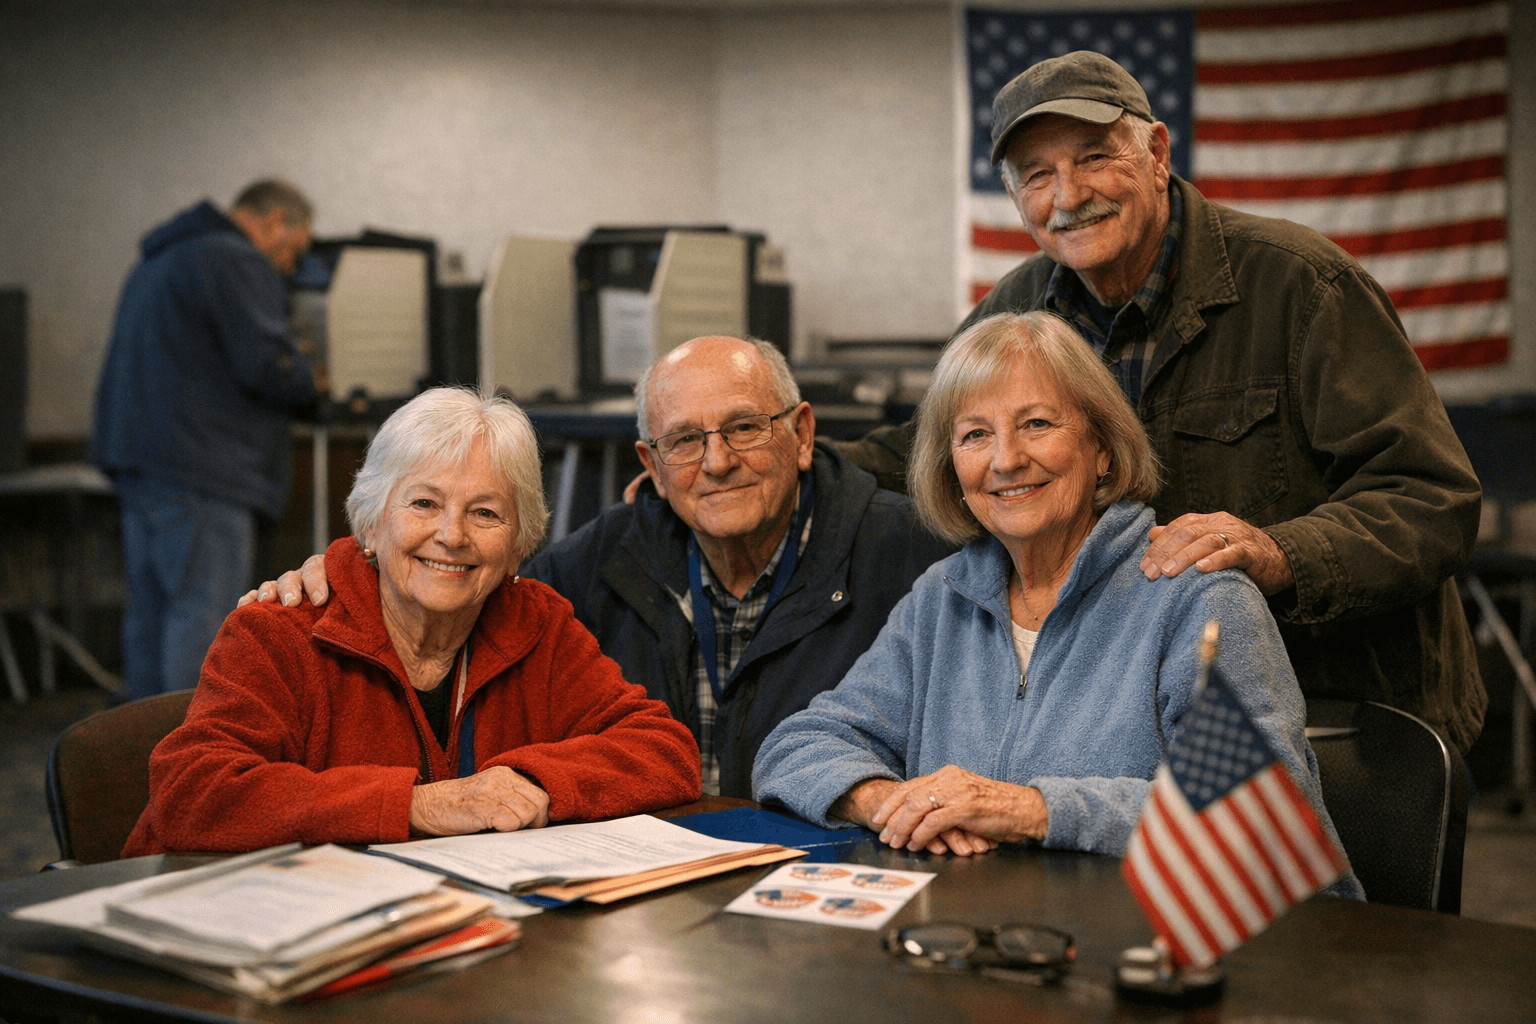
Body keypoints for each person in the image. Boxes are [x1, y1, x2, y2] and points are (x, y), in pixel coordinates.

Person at [841, 51, 1485, 756]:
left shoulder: (1305, 287)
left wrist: (1280, 553)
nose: (1068, 195)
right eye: (1037, 175)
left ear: (1155, 152)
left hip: (1345, 722)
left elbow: (1432, 499)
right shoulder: (1017, 309)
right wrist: (765, 446)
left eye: (1093, 157)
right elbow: (918, 452)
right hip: (1143, 734)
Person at [755, 312, 1362, 900]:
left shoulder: (1198, 595)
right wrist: (891, 802)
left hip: (1225, 960)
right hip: (1013, 946)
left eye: (1038, 424)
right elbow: (796, 746)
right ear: (952, 470)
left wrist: (1032, 811)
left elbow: (1260, 815)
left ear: (1103, 449)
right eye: (975, 435)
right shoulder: (942, 598)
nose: (1006, 459)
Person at [247, 336, 956, 799]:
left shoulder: (917, 557)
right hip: (658, 892)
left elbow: (657, 751)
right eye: (683, 441)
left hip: (836, 873)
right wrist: (349, 573)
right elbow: (459, 584)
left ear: (801, 434)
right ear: (650, 464)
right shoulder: (599, 563)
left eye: (743, 428)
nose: (716, 462)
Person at [123, 388, 699, 855]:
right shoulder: (278, 630)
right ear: (370, 525)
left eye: (485, 512)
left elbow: (665, 751)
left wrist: (528, 784)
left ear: (519, 545)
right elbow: (191, 793)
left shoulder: (538, 623)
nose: (452, 535)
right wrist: (417, 805)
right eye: (423, 504)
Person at [91, 178, 324, 702]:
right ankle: (194, 768)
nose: (289, 266)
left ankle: (143, 763)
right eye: (293, 248)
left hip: (143, 465)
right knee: (200, 620)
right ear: (271, 223)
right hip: (203, 471)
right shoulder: (233, 260)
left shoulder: (161, 258)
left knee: (151, 617)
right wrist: (311, 375)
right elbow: (267, 364)